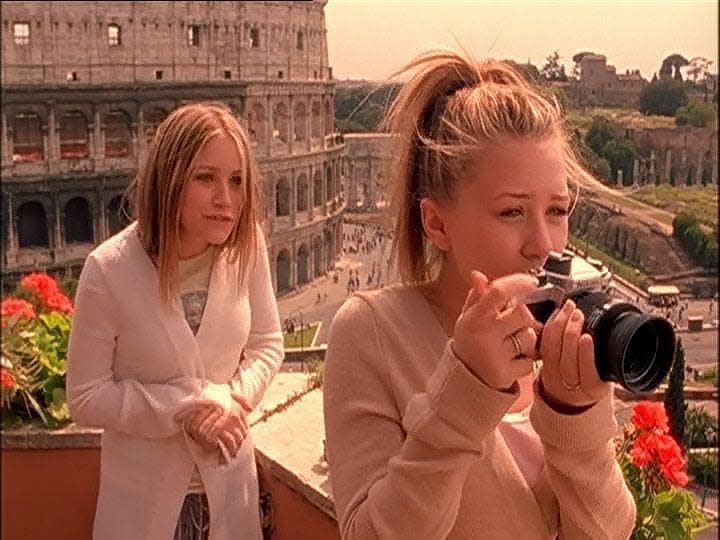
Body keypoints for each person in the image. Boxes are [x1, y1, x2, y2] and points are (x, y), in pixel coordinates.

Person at [323, 50, 636, 539]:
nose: (544, 244)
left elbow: (605, 533)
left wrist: (577, 413)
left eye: (556, 210)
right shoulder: (373, 332)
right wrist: (466, 389)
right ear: (437, 223)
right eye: (512, 212)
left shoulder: (558, 339)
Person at [66, 102, 284, 540]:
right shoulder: (108, 270)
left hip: (230, 486)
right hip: (142, 503)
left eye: (237, 180)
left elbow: (267, 342)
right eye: (206, 178)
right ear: (170, 177)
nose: (226, 199)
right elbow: (85, 397)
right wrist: (184, 407)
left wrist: (233, 401)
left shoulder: (247, 248)